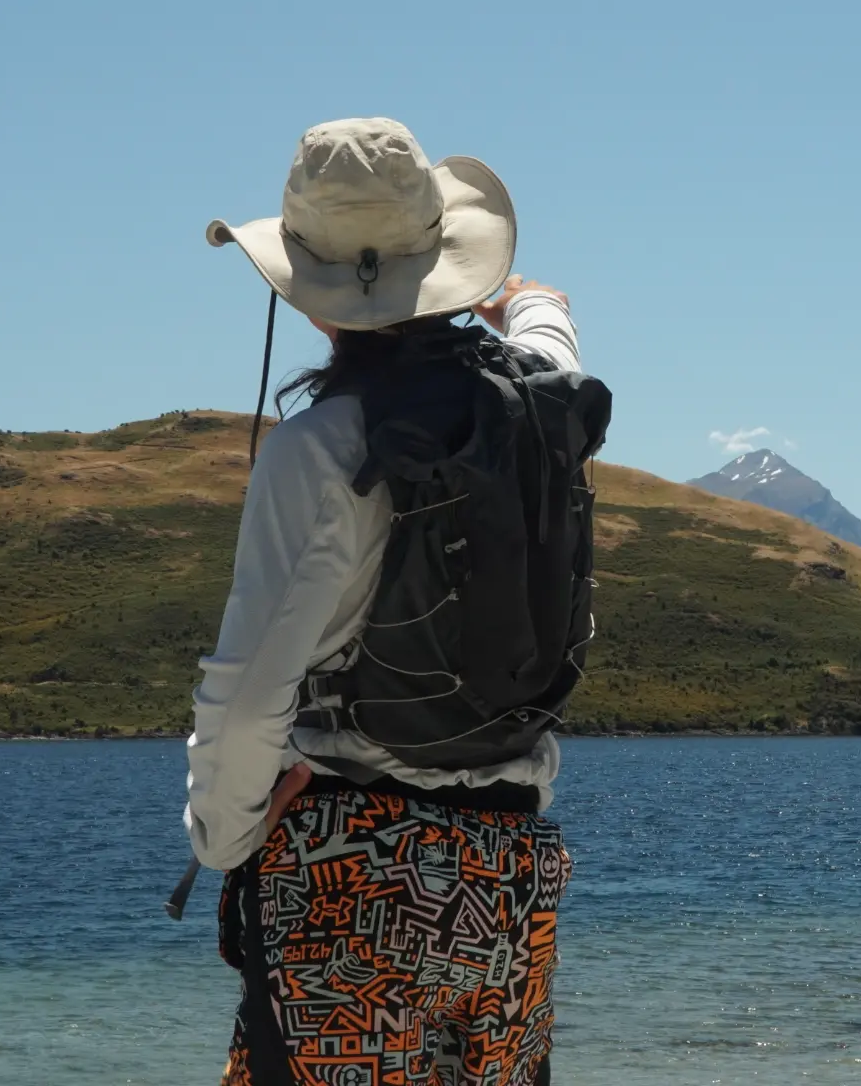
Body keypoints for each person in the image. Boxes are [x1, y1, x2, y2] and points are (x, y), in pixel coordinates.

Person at [188, 117, 601, 1086]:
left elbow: (249, 699)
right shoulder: (537, 412)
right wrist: (529, 306)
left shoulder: (318, 454)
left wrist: (226, 837)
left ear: (308, 287)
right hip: (508, 895)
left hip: (349, 890)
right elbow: (553, 339)